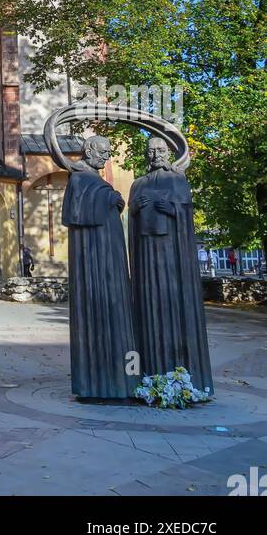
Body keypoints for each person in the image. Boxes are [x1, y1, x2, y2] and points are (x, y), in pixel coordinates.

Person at [128, 137, 212, 394]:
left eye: (161, 150)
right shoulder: (138, 184)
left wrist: (173, 209)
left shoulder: (177, 180)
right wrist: (134, 209)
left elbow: (186, 216)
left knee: (170, 303)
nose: (155, 155)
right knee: (147, 304)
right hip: (145, 257)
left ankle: (180, 373)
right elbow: (130, 217)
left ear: (168, 152)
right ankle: (147, 371)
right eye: (151, 150)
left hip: (170, 258)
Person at [61, 135, 138, 400]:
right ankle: (99, 382)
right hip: (95, 261)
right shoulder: (81, 177)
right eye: (102, 152)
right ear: (88, 151)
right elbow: (79, 212)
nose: (106, 158)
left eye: (108, 153)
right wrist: (109, 197)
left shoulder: (93, 177)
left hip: (110, 257)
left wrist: (114, 198)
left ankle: (124, 376)